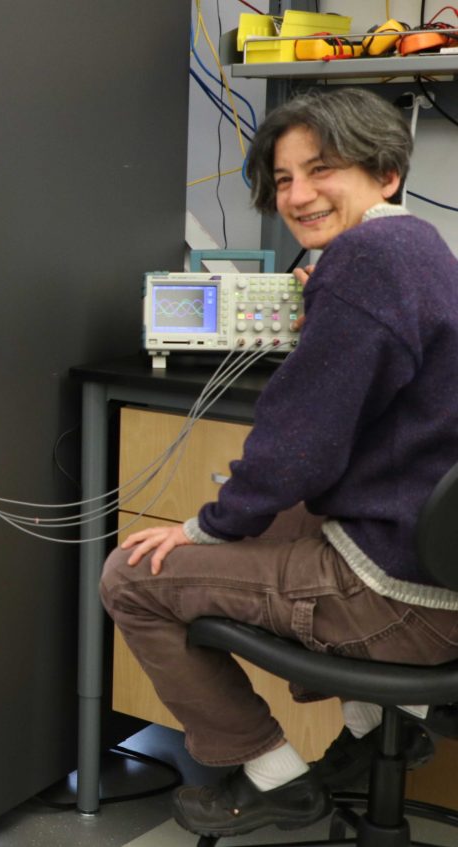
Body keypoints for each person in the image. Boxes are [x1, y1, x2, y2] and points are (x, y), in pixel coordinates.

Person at [101, 86, 458, 839]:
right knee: (281, 524)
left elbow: (300, 445)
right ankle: (377, 735)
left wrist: (207, 526)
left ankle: (274, 779)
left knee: (132, 575)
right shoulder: (420, 245)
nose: (296, 195)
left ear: (385, 172)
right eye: (283, 178)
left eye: (320, 169)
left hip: (397, 599)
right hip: (437, 572)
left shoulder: (363, 262)